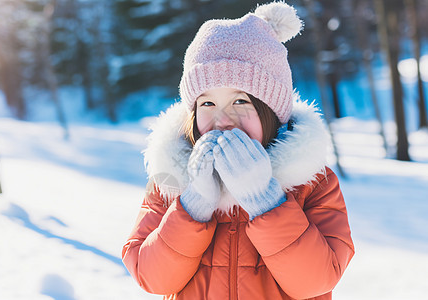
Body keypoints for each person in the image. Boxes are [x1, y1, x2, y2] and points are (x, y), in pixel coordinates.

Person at [122, 2, 354, 299]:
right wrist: (193, 205)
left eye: (240, 101)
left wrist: (265, 200)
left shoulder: (312, 183)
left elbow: (317, 280)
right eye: (207, 103)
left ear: (271, 110)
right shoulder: (169, 182)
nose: (222, 120)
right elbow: (152, 278)